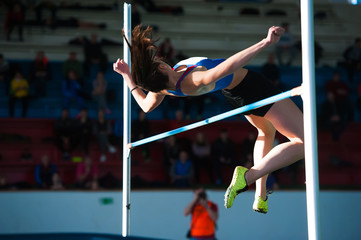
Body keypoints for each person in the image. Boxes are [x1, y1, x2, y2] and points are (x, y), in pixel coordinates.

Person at [113, 25, 304, 213]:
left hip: (233, 93)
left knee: (266, 131)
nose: (162, 60)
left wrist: (128, 77)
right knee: (304, 142)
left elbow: (146, 106)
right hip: (252, 87)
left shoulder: (162, 87)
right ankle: (248, 176)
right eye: (160, 61)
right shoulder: (193, 80)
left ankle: (260, 196)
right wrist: (265, 42)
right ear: (161, 69)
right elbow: (229, 66)